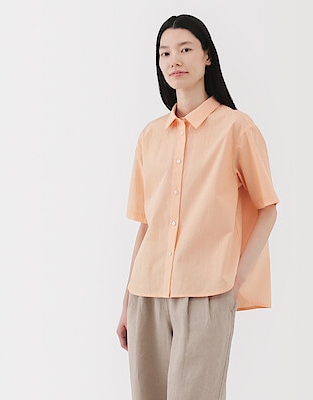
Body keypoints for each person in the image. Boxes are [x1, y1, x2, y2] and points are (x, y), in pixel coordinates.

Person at [116, 14, 279, 400]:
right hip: (146, 294)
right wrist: (126, 304)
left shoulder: (237, 128)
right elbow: (146, 225)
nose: (174, 59)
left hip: (208, 293)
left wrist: (234, 283)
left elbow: (268, 209)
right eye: (165, 53)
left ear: (207, 56)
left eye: (185, 49)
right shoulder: (150, 136)